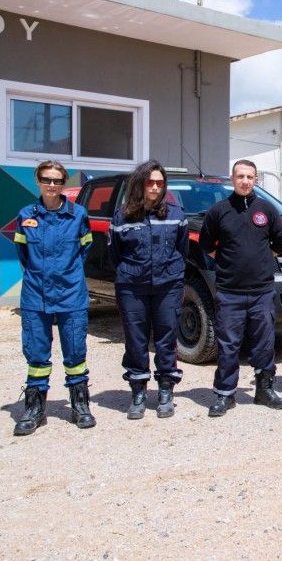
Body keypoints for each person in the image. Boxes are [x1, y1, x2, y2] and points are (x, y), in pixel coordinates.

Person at [12, 160, 95, 436]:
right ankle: (35, 409)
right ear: (38, 180)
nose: (52, 185)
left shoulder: (78, 214)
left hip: (71, 294)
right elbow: (23, 255)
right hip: (36, 296)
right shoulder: (26, 215)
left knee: (75, 353)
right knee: (36, 354)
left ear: (64, 183)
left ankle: (80, 404)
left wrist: (65, 275)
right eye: (47, 179)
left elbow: (84, 249)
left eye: (58, 181)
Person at [200, 159, 282, 417]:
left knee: (264, 343)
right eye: (240, 176)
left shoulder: (267, 210)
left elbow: (280, 243)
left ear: (256, 180)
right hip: (229, 292)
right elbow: (207, 245)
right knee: (228, 345)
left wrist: (260, 260)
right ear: (232, 178)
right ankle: (225, 395)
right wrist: (229, 262)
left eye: (250, 177)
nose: (245, 181)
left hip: (261, 290)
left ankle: (264, 390)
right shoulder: (219, 211)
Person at [108, 160, 188, 420]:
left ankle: (166, 390)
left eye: (159, 183)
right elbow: (115, 254)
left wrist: (172, 273)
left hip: (168, 286)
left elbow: (182, 249)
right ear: (140, 184)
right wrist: (131, 272)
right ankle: (138, 391)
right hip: (132, 287)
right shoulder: (122, 216)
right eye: (150, 182)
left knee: (166, 338)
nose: (154, 187)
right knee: (135, 339)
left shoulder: (176, 214)